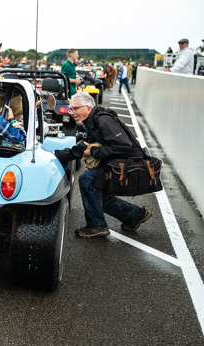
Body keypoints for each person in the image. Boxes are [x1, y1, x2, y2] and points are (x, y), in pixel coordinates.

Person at [54, 92, 152, 238]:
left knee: (88, 179)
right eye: (70, 109)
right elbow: (80, 149)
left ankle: (97, 225)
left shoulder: (104, 121)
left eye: (75, 109)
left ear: (88, 108)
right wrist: (54, 155)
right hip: (116, 164)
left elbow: (124, 145)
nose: (72, 112)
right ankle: (136, 215)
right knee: (97, 193)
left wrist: (94, 151)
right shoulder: (90, 122)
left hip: (131, 166)